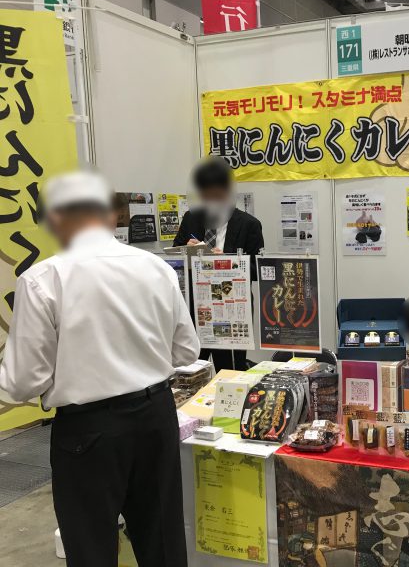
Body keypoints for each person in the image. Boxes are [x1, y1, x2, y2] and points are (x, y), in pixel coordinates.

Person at [0, 171, 200, 567]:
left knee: (91, 548)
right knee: (163, 542)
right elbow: (186, 351)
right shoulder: (156, 267)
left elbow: (23, 381)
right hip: (156, 416)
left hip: (87, 430)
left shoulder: (43, 279)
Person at [173, 156, 264, 371]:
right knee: (191, 369)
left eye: (217, 196)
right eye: (206, 196)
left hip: (231, 310)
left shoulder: (249, 224)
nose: (211, 202)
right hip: (195, 308)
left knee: (230, 370)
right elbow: (175, 259)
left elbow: (258, 270)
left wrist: (227, 261)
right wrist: (186, 250)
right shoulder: (191, 218)